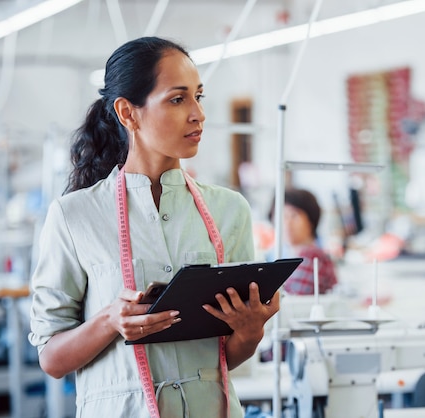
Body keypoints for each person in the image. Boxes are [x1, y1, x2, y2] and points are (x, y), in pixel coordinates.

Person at [28, 36, 279, 418]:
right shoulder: (74, 215)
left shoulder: (230, 210)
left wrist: (250, 330)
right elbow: (52, 358)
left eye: (199, 96)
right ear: (128, 113)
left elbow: (225, 359)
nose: (198, 114)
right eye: (178, 99)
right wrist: (109, 321)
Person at [273, 188, 338, 295]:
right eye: (282, 216)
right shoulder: (293, 255)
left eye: (294, 215)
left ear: (310, 220)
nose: (287, 223)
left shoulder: (311, 256)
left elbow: (294, 298)